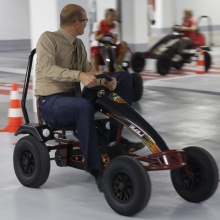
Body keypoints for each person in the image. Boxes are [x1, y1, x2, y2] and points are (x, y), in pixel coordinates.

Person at [35, 4, 143, 192]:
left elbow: (88, 70)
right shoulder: (48, 38)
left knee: (123, 78)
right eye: (85, 20)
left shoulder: (78, 44)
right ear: (76, 23)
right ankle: (96, 170)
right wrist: (79, 76)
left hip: (75, 98)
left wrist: (104, 82)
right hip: (51, 103)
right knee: (83, 106)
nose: (87, 23)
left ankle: (114, 137)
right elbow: (47, 69)